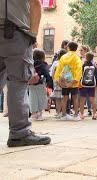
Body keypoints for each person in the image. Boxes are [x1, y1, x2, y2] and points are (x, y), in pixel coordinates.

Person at [0, 0, 51, 147]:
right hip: (15, 34)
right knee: (18, 84)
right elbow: (35, 4)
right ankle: (19, 133)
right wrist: (32, 35)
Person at [54, 41, 83, 120]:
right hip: (73, 82)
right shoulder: (77, 58)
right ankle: (76, 115)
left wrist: (59, 80)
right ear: (76, 49)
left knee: (64, 98)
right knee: (75, 98)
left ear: (68, 48)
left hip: (64, 81)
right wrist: (76, 80)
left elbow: (59, 69)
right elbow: (79, 69)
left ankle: (64, 115)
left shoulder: (63, 57)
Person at [29, 49, 53, 121]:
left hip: (30, 83)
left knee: (32, 98)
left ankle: (33, 114)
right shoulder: (42, 64)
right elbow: (47, 74)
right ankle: (39, 114)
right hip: (40, 83)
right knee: (41, 98)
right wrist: (50, 83)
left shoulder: (30, 63)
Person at [79, 52, 97, 120]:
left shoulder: (83, 65)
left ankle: (81, 114)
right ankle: (94, 114)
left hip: (83, 84)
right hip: (92, 85)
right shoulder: (94, 66)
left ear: (86, 58)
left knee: (82, 99)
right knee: (92, 99)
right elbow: (96, 75)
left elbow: (80, 74)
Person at [50, 49, 67, 118]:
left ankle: (58, 112)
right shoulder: (67, 62)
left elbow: (52, 73)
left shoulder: (55, 63)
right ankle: (64, 112)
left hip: (57, 82)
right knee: (64, 97)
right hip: (65, 82)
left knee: (58, 98)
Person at [79, 45, 93, 116]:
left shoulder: (90, 59)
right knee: (81, 95)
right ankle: (80, 110)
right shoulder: (79, 59)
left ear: (85, 51)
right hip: (81, 79)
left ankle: (89, 109)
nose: (80, 52)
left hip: (88, 79)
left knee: (88, 95)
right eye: (80, 50)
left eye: (81, 50)